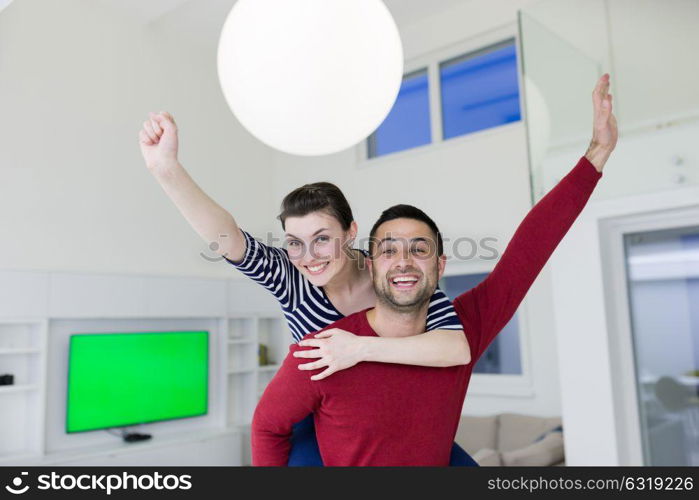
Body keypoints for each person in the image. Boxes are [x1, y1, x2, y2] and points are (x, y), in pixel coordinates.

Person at [251, 74, 617, 465]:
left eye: (419, 249)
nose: (404, 261)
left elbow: (531, 248)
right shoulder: (326, 350)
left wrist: (596, 154)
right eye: (389, 250)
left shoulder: (463, 330)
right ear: (371, 265)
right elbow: (267, 428)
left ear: (440, 265)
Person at [139, 106, 475, 465]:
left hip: (390, 419)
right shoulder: (291, 278)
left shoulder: (390, 271)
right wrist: (166, 169)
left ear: (350, 233)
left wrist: (357, 348)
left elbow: (454, 349)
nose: (308, 256)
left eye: (321, 239)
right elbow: (228, 238)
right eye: (295, 242)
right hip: (317, 424)